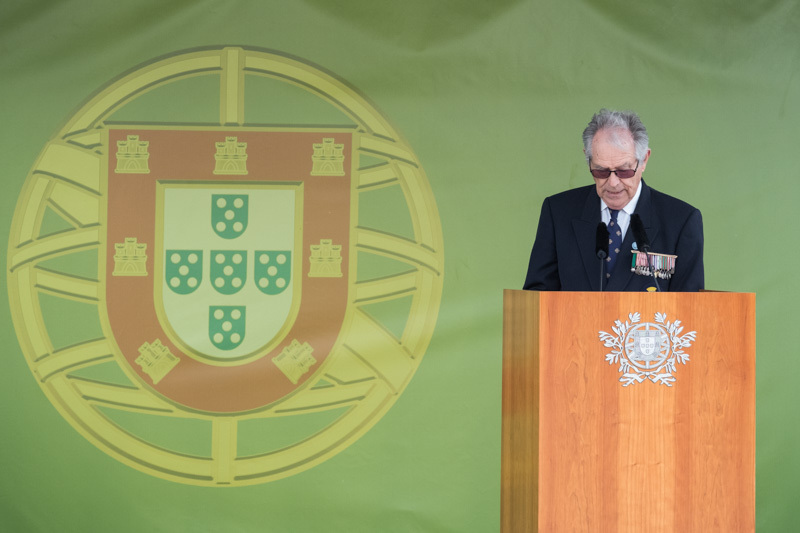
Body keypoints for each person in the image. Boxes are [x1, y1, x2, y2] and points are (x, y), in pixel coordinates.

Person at [523, 109, 704, 292]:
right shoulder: (558, 212)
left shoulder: (681, 221)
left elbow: (690, 305)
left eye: (624, 171)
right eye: (601, 171)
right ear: (588, 161)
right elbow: (536, 296)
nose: (613, 183)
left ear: (644, 160)